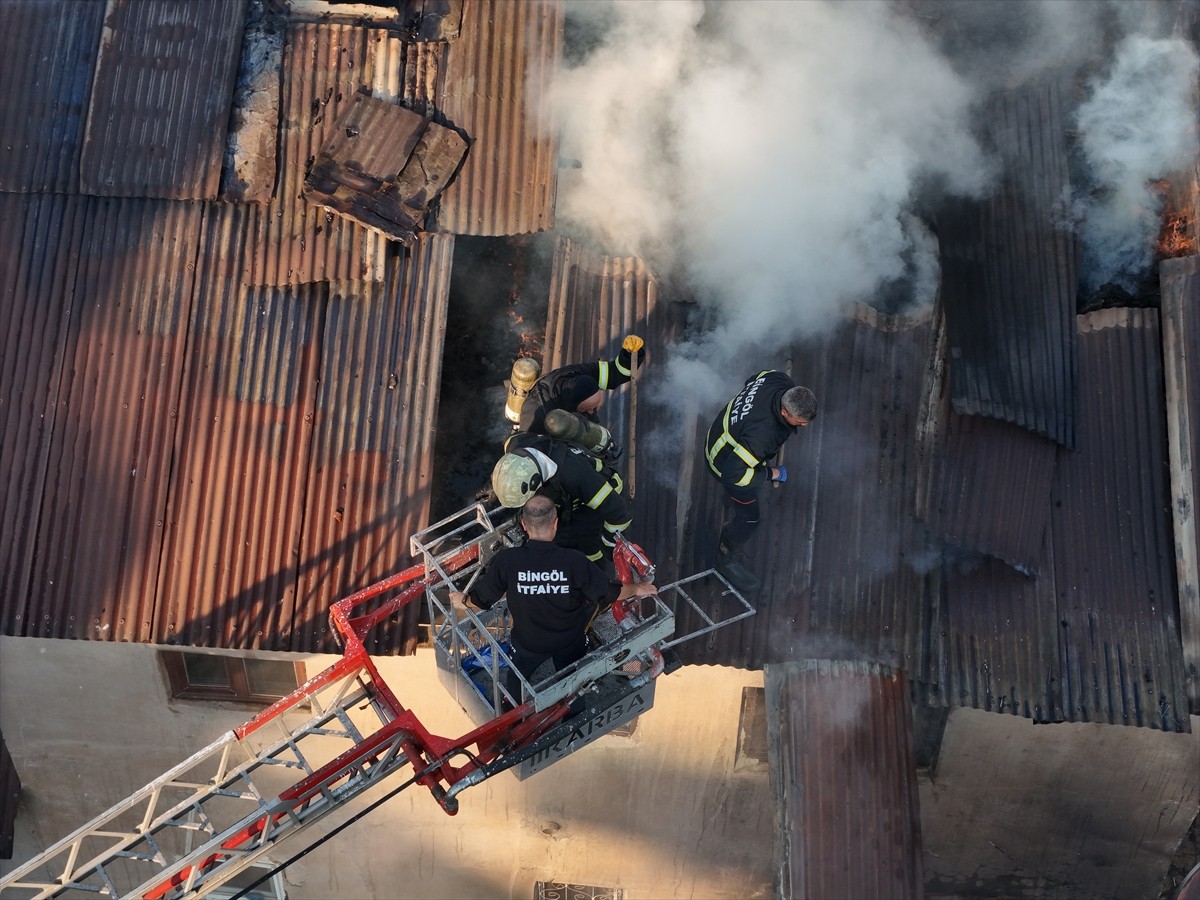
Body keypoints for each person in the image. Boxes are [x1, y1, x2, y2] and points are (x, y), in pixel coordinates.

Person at [450, 495, 656, 703]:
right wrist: (638, 588)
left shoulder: (508, 561)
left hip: (526, 643)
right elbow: (610, 593)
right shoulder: (574, 561)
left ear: (523, 524)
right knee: (573, 681)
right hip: (569, 641)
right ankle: (572, 711)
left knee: (516, 678)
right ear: (555, 523)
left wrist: (463, 601)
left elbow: (481, 600)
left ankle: (513, 711)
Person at [704, 370, 817, 593]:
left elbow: (752, 380)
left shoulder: (778, 379)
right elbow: (733, 475)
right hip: (723, 463)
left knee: (744, 475)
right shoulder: (763, 436)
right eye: (800, 422)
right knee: (750, 517)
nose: (804, 426)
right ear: (784, 411)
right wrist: (770, 473)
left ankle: (731, 501)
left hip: (719, 436)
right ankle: (726, 561)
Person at [491, 431, 631, 564]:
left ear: (535, 481)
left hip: (596, 497)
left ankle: (591, 575)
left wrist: (610, 546)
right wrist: (495, 486)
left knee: (585, 545)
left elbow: (618, 512)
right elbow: (510, 467)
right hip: (566, 496)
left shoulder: (574, 475)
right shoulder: (514, 443)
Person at [518, 335, 646, 437]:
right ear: (572, 403)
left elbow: (615, 372)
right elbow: (527, 452)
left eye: (594, 408)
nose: (592, 412)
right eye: (586, 409)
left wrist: (629, 355)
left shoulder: (579, 374)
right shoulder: (535, 415)